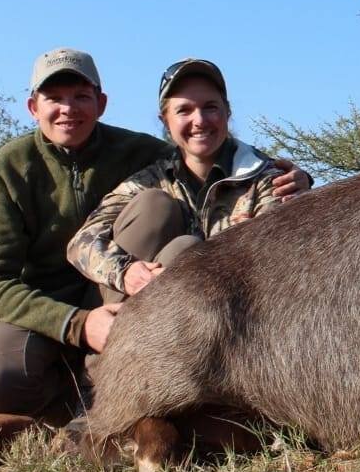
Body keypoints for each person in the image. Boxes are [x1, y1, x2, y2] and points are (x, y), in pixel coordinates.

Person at [0, 48, 310, 420]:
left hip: (170, 306)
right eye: (54, 99)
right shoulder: (15, 166)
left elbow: (212, 158)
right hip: (46, 309)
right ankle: (81, 394)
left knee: (184, 249)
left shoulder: (150, 153)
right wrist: (83, 318)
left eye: (81, 97)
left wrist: (301, 184)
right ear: (32, 107)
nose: (68, 109)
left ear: (101, 103)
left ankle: (117, 393)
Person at [66, 58, 298, 307]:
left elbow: (274, 262)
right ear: (165, 120)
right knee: (155, 207)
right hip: (145, 313)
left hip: (232, 313)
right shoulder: (152, 180)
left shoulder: (269, 178)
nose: (199, 121)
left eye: (210, 107)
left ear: (227, 112)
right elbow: (81, 244)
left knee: (186, 250)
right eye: (184, 110)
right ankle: (114, 338)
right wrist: (126, 272)